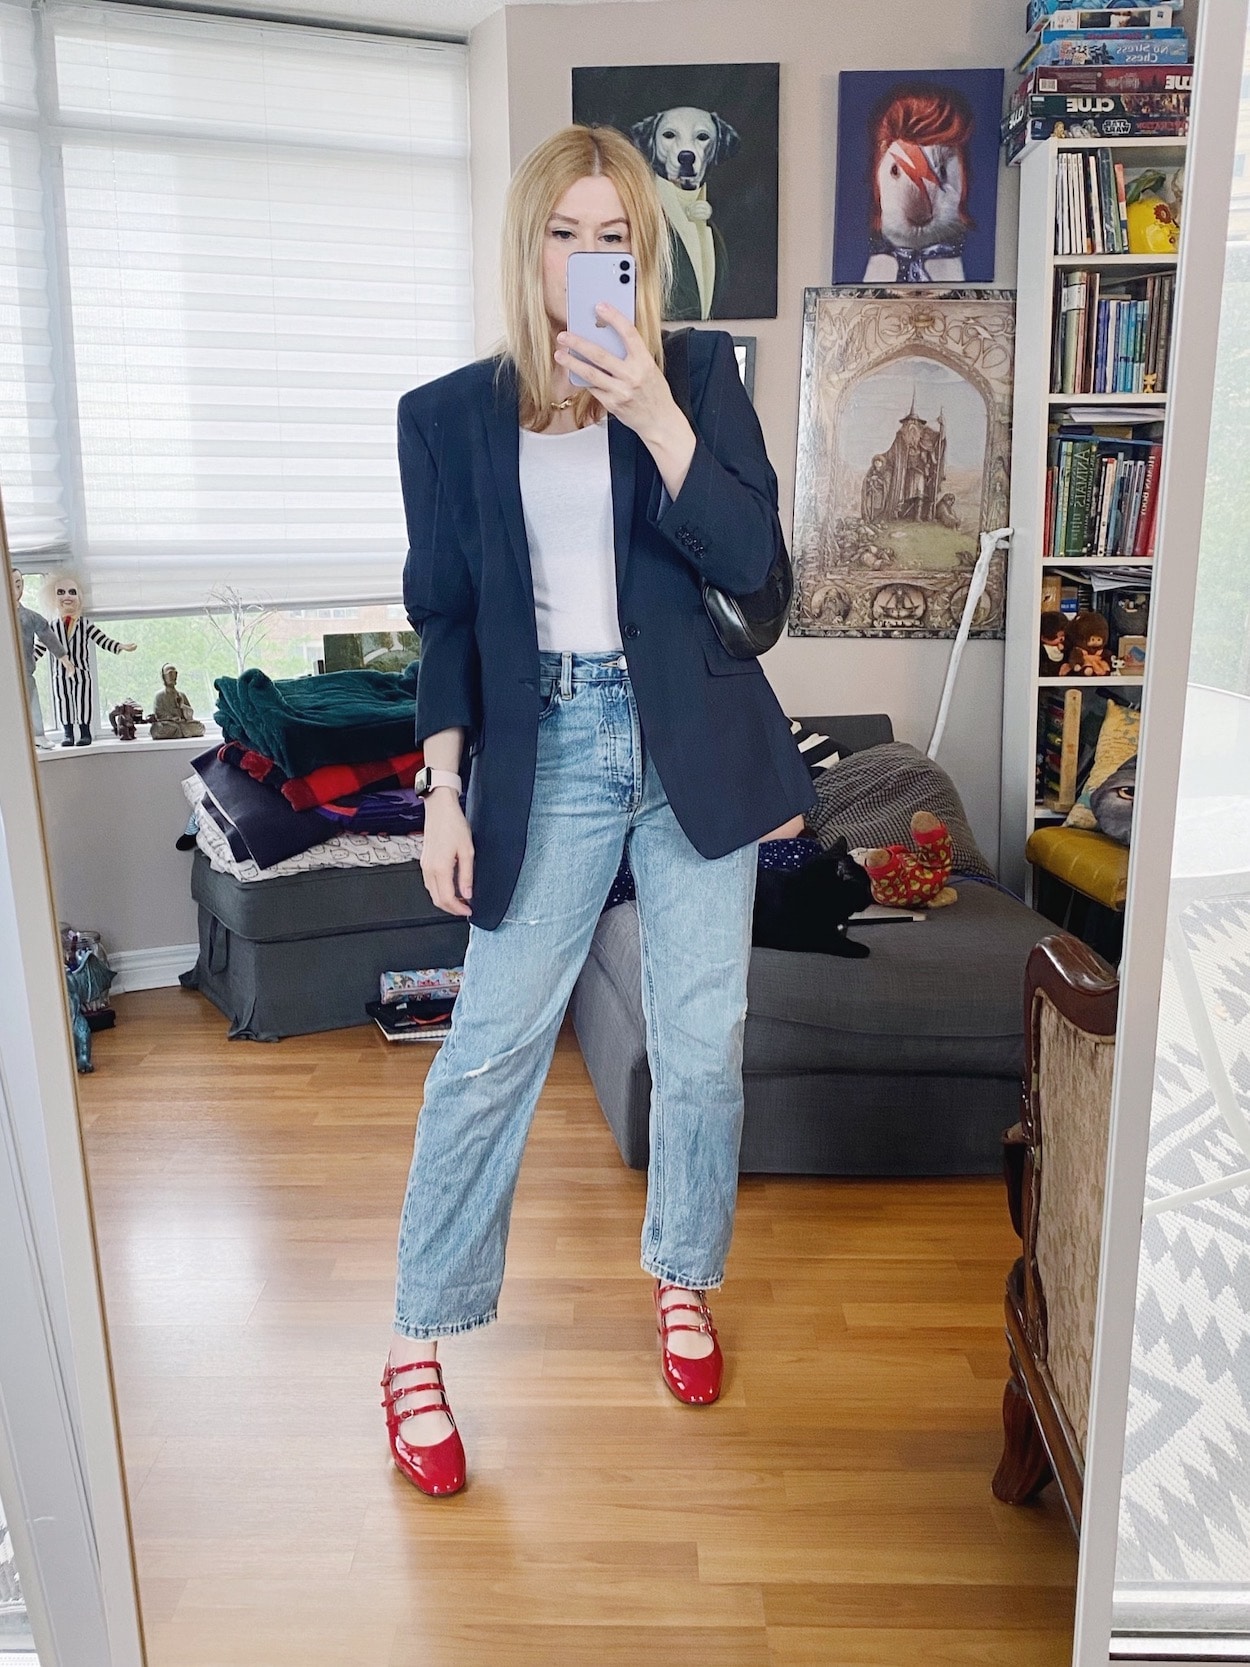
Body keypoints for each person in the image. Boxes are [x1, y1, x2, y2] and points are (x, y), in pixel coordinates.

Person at [381, 123, 815, 1499]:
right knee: (490, 1050)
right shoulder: (445, 416)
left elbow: (757, 569)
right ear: (526, 246)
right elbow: (443, 623)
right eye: (562, 234)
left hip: (688, 735)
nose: (586, 260)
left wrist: (656, 417)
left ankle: (681, 1276)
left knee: (702, 1046)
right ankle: (417, 1339)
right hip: (545, 747)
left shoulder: (692, 375)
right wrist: (442, 790)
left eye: (611, 238)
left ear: (643, 250)